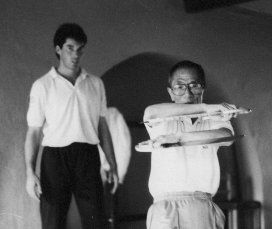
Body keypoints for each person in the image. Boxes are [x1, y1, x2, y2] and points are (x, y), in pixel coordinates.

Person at [24, 23, 118, 229]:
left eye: (80, 49)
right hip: (55, 158)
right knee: (52, 221)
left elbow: (102, 125)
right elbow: (33, 132)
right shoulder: (42, 86)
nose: (76, 54)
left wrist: (112, 162)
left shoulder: (95, 83)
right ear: (58, 49)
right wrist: (30, 173)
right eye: (70, 48)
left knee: (96, 220)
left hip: (88, 155)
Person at [143, 60, 246, 229]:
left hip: (200, 205)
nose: (188, 93)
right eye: (179, 86)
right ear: (170, 92)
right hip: (164, 207)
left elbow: (225, 136)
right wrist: (206, 108)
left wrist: (177, 138)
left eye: (194, 85)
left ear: (203, 88)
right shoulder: (161, 118)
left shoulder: (216, 118)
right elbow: (151, 112)